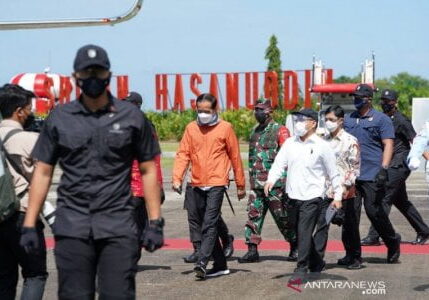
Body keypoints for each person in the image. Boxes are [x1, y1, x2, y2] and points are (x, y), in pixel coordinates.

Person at [20, 44, 164, 299]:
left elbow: (148, 169)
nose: (93, 78)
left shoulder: (131, 117)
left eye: (98, 72)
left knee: (118, 294)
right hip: (73, 226)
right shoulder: (60, 118)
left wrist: (154, 221)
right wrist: (30, 223)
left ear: (108, 75)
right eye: (87, 73)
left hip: (118, 226)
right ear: (76, 77)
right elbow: (43, 172)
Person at [173, 93, 246, 279]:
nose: (203, 114)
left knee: (210, 223)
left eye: (207, 111)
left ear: (215, 110)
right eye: (200, 110)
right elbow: (183, 154)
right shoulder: (191, 128)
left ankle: (202, 262)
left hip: (217, 182)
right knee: (201, 222)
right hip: (196, 182)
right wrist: (177, 178)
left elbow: (235, 157)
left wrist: (240, 184)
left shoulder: (225, 128)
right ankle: (220, 264)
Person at [265, 108, 343, 283]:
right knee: (298, 232)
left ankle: (301, 267)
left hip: (313, 197)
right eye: (297, 119)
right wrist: (271, 179)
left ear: (313, 123)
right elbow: (279, 163)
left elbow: (334, 173)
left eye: (302, 119)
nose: (298, 122)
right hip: (292, 197)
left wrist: (338, 196)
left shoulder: (322, 146)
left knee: (304, 232)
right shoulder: (290, 143)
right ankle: (317, 262)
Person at [361, 89, 429, 246]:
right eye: (383, 101)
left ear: (395, 102)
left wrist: (427, 159)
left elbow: (416, 141)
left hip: (399, 164)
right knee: (401, 201)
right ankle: (423, 231)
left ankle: (375, 235)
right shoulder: (382, 119)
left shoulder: (401, 120)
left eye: (388, 101)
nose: (385, 104)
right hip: (389, 164)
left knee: (383, 198)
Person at [0, 84, 48, 300]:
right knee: (35, 274)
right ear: (19, 111)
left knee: (4, 277)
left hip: (1, 215)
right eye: (29, 108)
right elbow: (42, 179)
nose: (31, 112)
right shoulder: (31, 140)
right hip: (23, 214)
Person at [344, 84, 401, 264]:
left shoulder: (381, 119)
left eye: (359, 97)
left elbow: (388, 145)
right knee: (350, 216)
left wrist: (384, 168)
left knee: (374, 212)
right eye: (354, 96)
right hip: (352, 175)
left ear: (369, 99)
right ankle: (353, 255)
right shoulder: (348, 119)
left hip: (372, 174)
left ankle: (392, 242)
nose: (356, 100)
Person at [238, 98, 297, 263]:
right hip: (257, 185)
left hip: (276, 186)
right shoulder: (254, 131)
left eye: (260, 109)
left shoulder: (281, 130)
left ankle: (295, 246)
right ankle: (252, 250)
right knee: (253, 217)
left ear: (269, 111)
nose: (257, 112)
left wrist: (286, 183)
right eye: (255, 109)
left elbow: (288, 158)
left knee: (282, 218)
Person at [320, 105, 362, 269]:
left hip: (346, 191)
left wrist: (344, 187)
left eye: (331, 120)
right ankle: (317, 259)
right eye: (326, 120)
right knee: (322, 224)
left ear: (341, 121)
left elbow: (354, 168)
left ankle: (354, 257)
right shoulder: (323, 141)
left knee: (350, 226)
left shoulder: (350, 141)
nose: (328, 123)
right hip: (326, 190)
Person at [124, 91, 165, 243]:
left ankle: (131, 257)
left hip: (138, 184)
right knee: (138, 219)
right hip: (127, 183)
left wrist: (158, 184)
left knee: (132, 222)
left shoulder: (146, 127)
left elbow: (154, 158)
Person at [182, 179, 234, 263]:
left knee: (211, 216)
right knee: (192, 213)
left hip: (212, 179)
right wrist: (177, 178)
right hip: (192, 179)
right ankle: (198, 249)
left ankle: (226, 238)